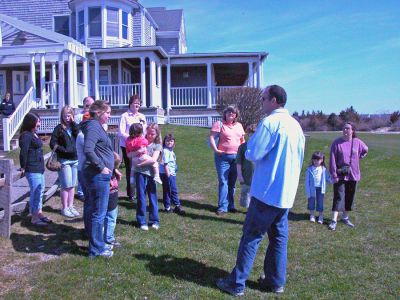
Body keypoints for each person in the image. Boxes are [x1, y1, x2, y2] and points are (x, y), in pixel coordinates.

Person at [216, 85, 305, 296]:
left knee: (251, 236)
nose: (261, 102)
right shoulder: (295, 126)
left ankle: (236, 283)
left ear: (274, 100)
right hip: (285, 194)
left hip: (267, 192)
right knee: (278, 238)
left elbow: (253, 152)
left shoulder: (271, 122)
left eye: (264, 98)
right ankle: (275, 282)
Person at [81, 100, 115, 258]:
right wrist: (102, 167)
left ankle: (94, 243)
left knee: (92, 209)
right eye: (107, 112)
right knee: (99, 212)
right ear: (99, 112)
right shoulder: (93, 126)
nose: (109, 115)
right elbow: (88, 149)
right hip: (98, 175)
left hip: (97, 174)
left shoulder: (94, 126)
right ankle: (97, 249)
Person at [328, 122, 368, 231]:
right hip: (340, 175)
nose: (345, 130)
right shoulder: (336, 143)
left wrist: (359, 156)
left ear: (352, 130)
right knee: (338, 197)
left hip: (353, 175)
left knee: (350, 196)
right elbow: (332, 160)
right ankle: (333, 220)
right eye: (344, 128)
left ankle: (345, 217)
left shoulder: (357, 142)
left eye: (347, 128)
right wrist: (334, 174)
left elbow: (365, 149)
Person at [209, 105, 245, 215]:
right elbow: (211, 137)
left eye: (233, 112)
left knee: (232, 183)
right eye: (229, 112)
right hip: (222, 158)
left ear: (236, 115)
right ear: (225, 113)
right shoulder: (219, 124)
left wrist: (243, 154)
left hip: (236, 158)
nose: (231, 114)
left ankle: (231, 205)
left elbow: (242, 140)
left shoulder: (239, 125)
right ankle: (222, 207)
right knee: (223, 182)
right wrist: (216, 150)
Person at [19, 113, 52, 226]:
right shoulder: (26, 135)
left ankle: (39, 213)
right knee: (36, 192)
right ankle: (34, 218)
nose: (39, 123)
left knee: (40, 191)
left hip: (39, 168)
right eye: (38, 121)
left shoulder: (34, 134)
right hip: (32, 169)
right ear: (31, 122)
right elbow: (23, 152)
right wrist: (23, 166)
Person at [50, 105, 79, 218]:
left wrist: (73, 123)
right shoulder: (59, 128)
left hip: (75, 159)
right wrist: (63, 150)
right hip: (64, 160)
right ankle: (64, 207)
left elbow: (79, 135)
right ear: (62, 116)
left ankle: (71, 206)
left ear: (72, 116)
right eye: (65, 116)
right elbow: (53, 143)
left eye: (69, 116)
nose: (67, 118)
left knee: (72, 185)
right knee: (65, 185)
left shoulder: (74, 127)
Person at [133, 123, 162, 231]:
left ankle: (154, 220)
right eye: (148, 133)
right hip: (140, 173)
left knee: (153, 196)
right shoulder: (141, 142)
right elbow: (134, 153)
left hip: (152, 175)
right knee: (141, 196)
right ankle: (141, 221)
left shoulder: (157, 146)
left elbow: (153, 160)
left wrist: (140, 164)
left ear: (157, 134)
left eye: (152, 134)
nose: (149, 135)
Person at [118, 95, 147, 201]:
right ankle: (131, 193)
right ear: (130, 103)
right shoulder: (124, 116)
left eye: (139, 103)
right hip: (128, 147)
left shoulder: (142, 116)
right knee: (131, 169)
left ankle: (141, 190)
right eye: (135, 102)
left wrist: (141, 142)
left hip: (140, 147)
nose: (137, 105)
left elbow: (144, 132)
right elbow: (121, 132)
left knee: (141, 167)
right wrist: (132, 140)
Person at [160, 134, 185, 215]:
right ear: (164, 142)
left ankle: (167, 207)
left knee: (167, 190)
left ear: (174, 142)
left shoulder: (170, 151)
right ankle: (177, 206)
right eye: (167, 141)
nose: (169, 142)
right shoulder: (166, 151)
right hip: (167, 174)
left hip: (170, 173)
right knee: (173, 190)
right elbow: (165, 164)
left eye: (171, 141)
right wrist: (168, 175)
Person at [75, 96, 94, 201]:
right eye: (87, 104)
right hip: (81, 144)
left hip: (92, 143)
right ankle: (81, 191)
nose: (89, 106)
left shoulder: (95, 116)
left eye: (91, 104)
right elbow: (76, 130)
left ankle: (90, 189)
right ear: (83, 104)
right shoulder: (79, 116)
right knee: (81, 165)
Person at [305, 151, 332, 224]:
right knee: (311, 202)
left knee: (320, 203)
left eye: (318, 159)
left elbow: (327, 178)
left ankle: (320, 216)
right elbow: (307, 182)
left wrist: (333, 181)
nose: (316, 161)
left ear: (322, 160)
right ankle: (312, 215)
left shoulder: (324, 169)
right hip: (312, 189)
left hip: (320, 189)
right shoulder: (309, 169)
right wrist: (308, 192)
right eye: (314, 159)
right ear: (312, 160)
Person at [236, 124, 257, 209]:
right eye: (250, 133)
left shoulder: (260, 147)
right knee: (246, 191)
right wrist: (239, 175)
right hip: (246, 174)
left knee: (256, 194)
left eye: (255, 133)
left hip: (257, 175)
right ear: (247, 134)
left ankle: (254, 209)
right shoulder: (242, 147)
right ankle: (245, 207)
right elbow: (238, 162)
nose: (252, 135)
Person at [104, 152, 122, 248]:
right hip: (109, 199)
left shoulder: (112, 171)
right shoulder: (106, 174)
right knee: (110, 218)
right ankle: (108, 238)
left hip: (113, 198)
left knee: (110, 218)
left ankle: (106, 236)